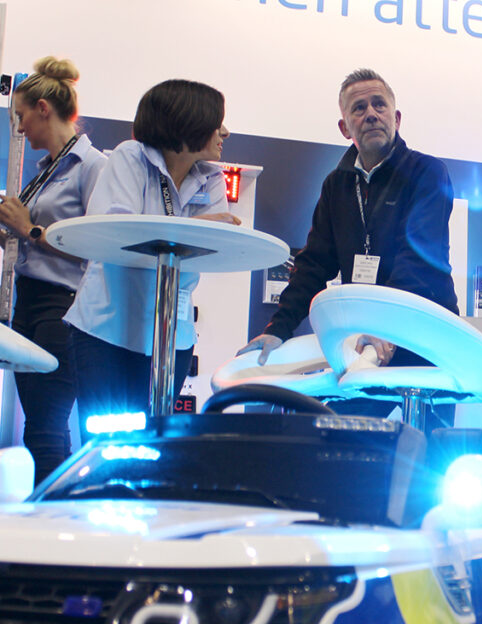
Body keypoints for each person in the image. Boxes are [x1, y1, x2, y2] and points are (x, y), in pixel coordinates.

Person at [238, 68, 457, 431]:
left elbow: (418, 258)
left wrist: (387, 326)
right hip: (365, 338)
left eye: (379, 105)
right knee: (342, 439)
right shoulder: (336, 185)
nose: (370, 113)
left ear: (396, 117)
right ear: (345, 128)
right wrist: (279, 328)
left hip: (424, 333)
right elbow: (313, 264)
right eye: (358, 108)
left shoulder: (427, 172)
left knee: (431, 458)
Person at [64, 79, 239, 435]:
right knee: (104, 441)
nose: (225, 131)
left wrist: (185, 230)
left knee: (152, 439)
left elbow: (217, 242)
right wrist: (191, 228)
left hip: (172, 335)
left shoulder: (212, 177)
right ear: (188, 121)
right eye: (217, 120)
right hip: (107, 328)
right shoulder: (131, 156)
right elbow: (116, 233)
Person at [0, 57, 106, 483]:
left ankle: (56, 521)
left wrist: (29, 228)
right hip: (30, 305)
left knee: (46, 427)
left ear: (44, 108)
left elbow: (97, 247)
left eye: (22, 116)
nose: (20, 128)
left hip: (62, 309)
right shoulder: (43, 171)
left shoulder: (94, 167)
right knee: (38, 428)